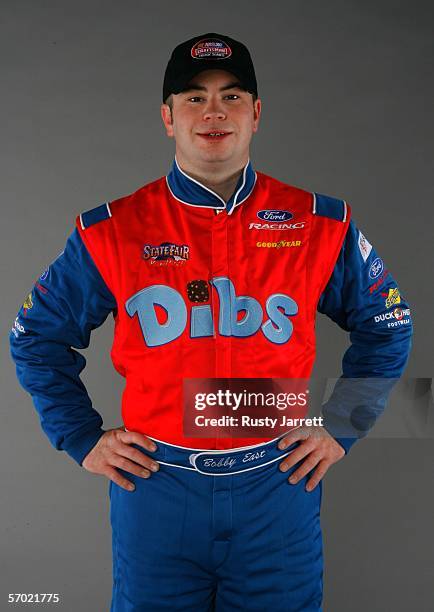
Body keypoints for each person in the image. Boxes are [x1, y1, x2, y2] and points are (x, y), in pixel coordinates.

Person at [9, 32, 412, 611]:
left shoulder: (319, 223)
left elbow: (390, 323)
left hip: (279, 485)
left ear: (257, 113)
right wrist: (80, 436)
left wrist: (343, 423)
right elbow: (35, 337)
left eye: (232, 95)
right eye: (194, 98)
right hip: (156, 488)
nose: (214, 111)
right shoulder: (112, 230)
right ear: (167, 117)